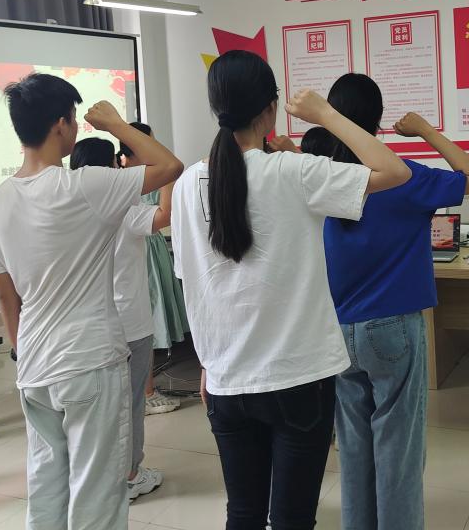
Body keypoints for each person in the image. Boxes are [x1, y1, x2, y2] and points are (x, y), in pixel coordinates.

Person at [170, 50, 411, 530]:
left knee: (242, 513)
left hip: (226, 379)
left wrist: (208, 364)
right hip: (298, 377)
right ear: (270, 109)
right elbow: (396, 171)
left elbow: (195, 284)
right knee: (293, 519)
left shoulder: (186, 184)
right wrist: (326, 115)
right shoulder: (292, 171)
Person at [0, 74, 182, 530]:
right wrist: (116, 125)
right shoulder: (84, 186)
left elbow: (6, 297)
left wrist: (25, 353)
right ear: (61, 124)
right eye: (73, 119)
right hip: (89, 360)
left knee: (46, 485)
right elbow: (170, 166)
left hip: (35, 365)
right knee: (98, 492)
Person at [325, 73, 469, 530]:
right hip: (392, 327)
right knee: (398, 449)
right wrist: (426, 131)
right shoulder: (405, 176)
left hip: (336, 329)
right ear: (377, 120)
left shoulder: (321, 176)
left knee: (353, 449)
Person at [68, 137, 164, 501]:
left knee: (96, 406)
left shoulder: (66, 208)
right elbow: (165, 215)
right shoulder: (123, 206)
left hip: (85, 322)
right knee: (130, 402)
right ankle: (130, 474)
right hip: (128, 321)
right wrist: (169, 178)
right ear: (111, 167)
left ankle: (99, 475)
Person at [118, 122, 185, 416]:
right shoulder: (136, 176)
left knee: (149, 315)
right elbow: (164, 213)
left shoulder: (146, 172)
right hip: (142, 248)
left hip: (152, 247)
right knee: (144, 317)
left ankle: (145, 388)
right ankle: (145, 392)